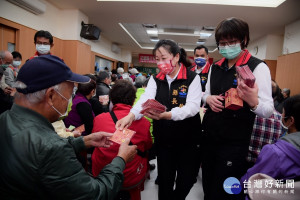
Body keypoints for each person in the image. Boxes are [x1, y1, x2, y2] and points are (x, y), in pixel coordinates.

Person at [0, 55, 137, 199]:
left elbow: (35, 153)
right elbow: (96, 194)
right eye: (68, 95)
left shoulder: (5, 119)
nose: (69, 102)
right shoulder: (52, 147)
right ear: (51, 96)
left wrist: (83, 141)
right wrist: (120, 159)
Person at [116, 39, 202, 200]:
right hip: (165, 141)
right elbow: (145, 100)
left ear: (176, 57)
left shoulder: (192, 78)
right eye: (157, 59)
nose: (160, 62)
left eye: (164, 58)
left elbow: (193, 107)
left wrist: (168, 115)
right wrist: (131, 115)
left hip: (189, 141)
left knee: (188, 179)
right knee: (165, 182)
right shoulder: (156, 79)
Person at [201, 17, 274, 200]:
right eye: (222, 43)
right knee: (208, 185)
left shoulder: (258, 67)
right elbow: (205, 93)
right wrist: (208, 99)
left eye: (231, 42)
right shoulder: (215, 67)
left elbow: (268, 110)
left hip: (234, 142)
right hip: (210, 136)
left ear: (244, 40)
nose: (226, 47)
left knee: (226, 189)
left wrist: (252, 101)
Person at [92, 80, 152, 200]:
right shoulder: (144, 122)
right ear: (134, 100)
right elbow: (147, 145)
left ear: (112, 99)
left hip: (102, 174)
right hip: (131, 175)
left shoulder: (99, 119)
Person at [241, 94, 300, 199]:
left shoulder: (276, 153)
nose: (281, 116)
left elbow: (249, 182)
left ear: (291, 120)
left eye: (283, 113)